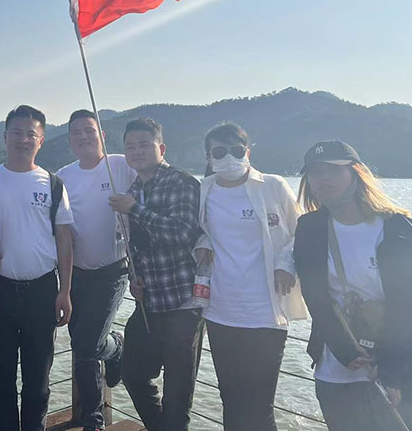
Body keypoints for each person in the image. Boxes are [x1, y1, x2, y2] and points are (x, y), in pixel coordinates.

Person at [193, 122, 307, 431]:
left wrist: (285, 263)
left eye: (236, 150)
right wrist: (203, 245)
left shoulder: (272, 186)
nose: (229, 157)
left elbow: (301, 231)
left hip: (265, 311)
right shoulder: (205, 189)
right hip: (221, 310)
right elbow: (203, 231)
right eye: (219, 152)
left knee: (259, 406)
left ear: (248, 152)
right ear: (208, 158)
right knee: (231, 400)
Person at [293, 140, 412, 430]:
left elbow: (406, 305)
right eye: (315, 173)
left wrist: (391, 369)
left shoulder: (397, 227)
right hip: (337, 368)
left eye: (333, 171)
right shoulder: (310, 228)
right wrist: (345, 351)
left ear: (356, 173)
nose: (323, 180)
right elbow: (316, 299)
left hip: (397, 368)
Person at [0, 105, 73, 431]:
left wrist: (65, 291)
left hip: (42, 290)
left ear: (41, 140)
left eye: (30, 134)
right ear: (5, 137)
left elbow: (64, 239)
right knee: (1, 376)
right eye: (16, 132)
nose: (23, 139)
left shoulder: (53, 183)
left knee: (38, 380)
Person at [109, 117, 203, 431]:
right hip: (149, 302)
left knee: (177, 394)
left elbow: (182, 232)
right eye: (130, 146)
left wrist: (135, 209)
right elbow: (138, 245)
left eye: (144, 145)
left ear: (161, 148)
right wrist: (134, 277)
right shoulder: (134, 189)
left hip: (183, 303)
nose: (136, 151)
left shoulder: (181, 182)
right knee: (133, 374)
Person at [57, 109, 136, 431]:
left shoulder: (121, 166)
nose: (83, 137)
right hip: (75, 272)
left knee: (88, 345)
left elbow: (157, 178)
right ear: (69, 139)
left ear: (101, 134)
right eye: (76, 132)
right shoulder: (63, 176)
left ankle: (116, 347)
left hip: (112, 270)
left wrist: (134, 204)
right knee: (82, 348)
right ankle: (93, 420)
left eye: (89, 131)